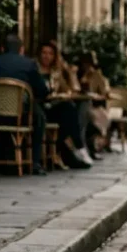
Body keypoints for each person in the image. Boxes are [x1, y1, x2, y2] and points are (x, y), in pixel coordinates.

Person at [0, 34, 51, 175]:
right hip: (19, 117)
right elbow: (43, 91)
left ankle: (0, 158)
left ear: (1, 48)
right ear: (21, 50)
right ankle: (35, 162)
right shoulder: (29, 64)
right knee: (39, 117)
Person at [37, 41, 91, 169]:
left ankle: (68, 153)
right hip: (39, 109)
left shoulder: (56, 72)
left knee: (68, 110)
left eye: (50, 53)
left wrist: (68, 70)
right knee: (68, 112)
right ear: (39, 54)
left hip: (53, 108)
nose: (47, 56)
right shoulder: (34, 69)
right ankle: (77, 149)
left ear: (54, 56)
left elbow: (71, 90)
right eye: (44, 52)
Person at [77, 52, 112, 156]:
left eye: (89, 64)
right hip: (80, 103)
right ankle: (82, 145)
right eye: (85, 64)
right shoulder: (77, 74)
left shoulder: (97, 75)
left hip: (94, 105)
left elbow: (104, 93)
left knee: (91, 115)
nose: (87, 66)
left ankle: (89, 146)